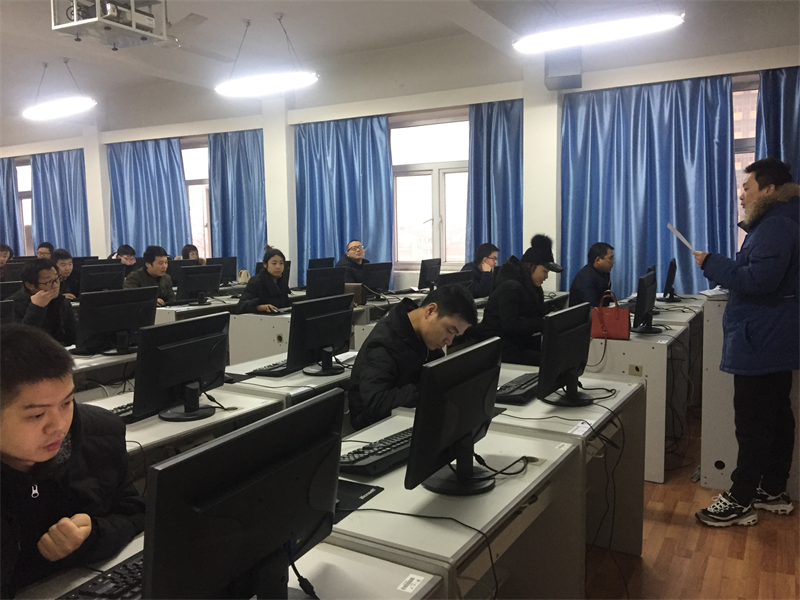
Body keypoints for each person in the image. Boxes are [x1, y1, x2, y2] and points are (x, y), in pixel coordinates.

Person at [0, 323, 145, 598]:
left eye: (66, 403)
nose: (59, 426)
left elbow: (133, 512)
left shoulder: (99, 435)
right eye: (36, 415)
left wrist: (92, 536)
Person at [693, 158, 799, 527]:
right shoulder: (784, 219)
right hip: (776, 338)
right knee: (777, 417)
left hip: (762, 339)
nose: (741, 195)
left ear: (768, 189)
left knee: (753, 423)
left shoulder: (776, 225)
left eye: (746, 188)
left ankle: (740, 499)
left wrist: (712, 263)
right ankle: (772, 490)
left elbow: (759, 280)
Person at [348, 284, 477, 430]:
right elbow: (377, 404)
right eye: (449, 331)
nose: (449, 341)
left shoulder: (423, 333)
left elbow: (438, 373)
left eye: (455, 335)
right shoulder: (384, 343)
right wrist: (428, 388)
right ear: (430, 311)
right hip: (376, 428)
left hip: (409, 415)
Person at [477, 235, 563, 366]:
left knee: (558, 353)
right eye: (544, 271)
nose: (546, 277)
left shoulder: (532, 287)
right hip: (500, 347)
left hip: (518, 342)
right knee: (550, 361)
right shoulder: (510, 287)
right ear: (531, 266)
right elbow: (512, 325)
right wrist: (545, 322)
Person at [8, 259, 77, 346]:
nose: (55, 285)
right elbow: (22, 343)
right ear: (30, 285)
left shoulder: (61, 301)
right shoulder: (13, 306)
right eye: (49, 282)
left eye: (57, 279)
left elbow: (73, 335)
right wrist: (36, 308)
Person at [233, 248, 290, 314]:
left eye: (281, 263)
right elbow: (241, 305)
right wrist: (260, 307)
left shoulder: (282, 280)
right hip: (259, 317)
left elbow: (286, 303)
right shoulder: (256, 281)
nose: (278, 267)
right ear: (265, 264)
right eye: (274, 263)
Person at [568, 242, 614, 308]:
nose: (613, 262)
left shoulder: (603, 273)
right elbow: (592, 306)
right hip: (585, 313)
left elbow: (606, 299)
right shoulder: (585, 278)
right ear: (598, 260)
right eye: (610, 258)